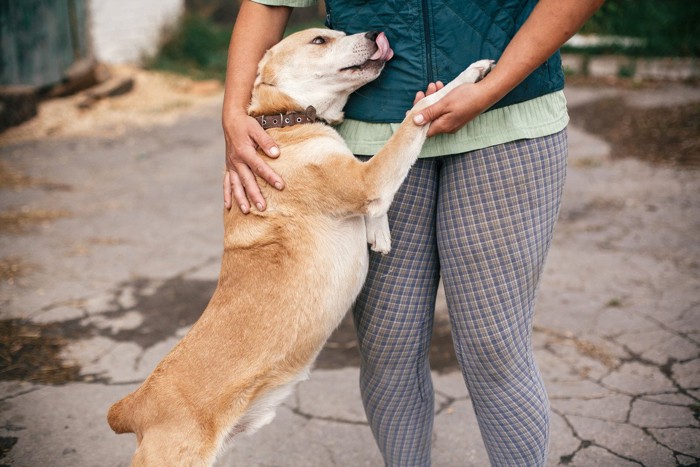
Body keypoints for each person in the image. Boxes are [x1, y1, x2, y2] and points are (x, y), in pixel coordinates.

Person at [222, 1, 603, 465]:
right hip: (364, 136)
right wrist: (237, 113)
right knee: (389, 348)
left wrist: (490, 88)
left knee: (495, 347)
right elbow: (268, 2)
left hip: (509, 118)